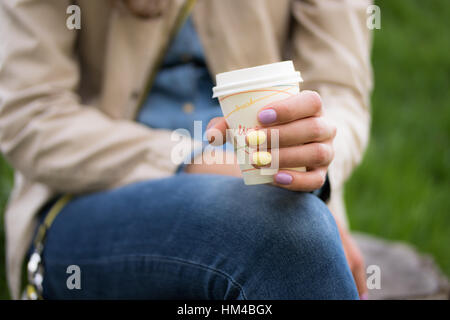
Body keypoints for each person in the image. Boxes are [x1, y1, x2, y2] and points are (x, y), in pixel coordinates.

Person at [0, 0, 373, 299]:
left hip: (276, 193)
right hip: (91, 194)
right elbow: (31, 116)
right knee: (284, 236)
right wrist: (205, 162)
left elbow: (339, 92)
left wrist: (310, 155)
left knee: (294, 232)